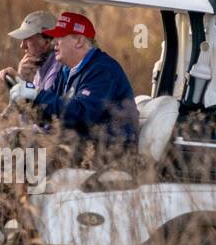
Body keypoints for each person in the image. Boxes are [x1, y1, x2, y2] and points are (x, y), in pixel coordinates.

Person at [8, 11, 138, 154]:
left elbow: (83, 115)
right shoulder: (66, 71)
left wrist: (37, 94)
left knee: (29, 151)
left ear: (79, 41)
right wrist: (26, 102)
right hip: (80, 143)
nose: (54, 41)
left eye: (60, 37)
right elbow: (51, 114)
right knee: (10, 139)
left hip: (110, 150)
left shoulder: (102, 70)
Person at [0, 10, 63, 90]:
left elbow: (44, 101)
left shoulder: (57, 69)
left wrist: (20, 82)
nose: (22, 46)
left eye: (27, 39)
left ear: (46, 43)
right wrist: (23, 78)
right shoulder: (42, 66)